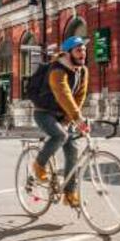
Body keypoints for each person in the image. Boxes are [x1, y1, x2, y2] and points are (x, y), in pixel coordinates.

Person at [32, 36, 91, 207]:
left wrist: (71, 118)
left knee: (72, 150)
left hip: (63, 114)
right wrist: (77, 118)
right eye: (79, 50)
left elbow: (79, 96)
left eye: (84, 50)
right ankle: (39, 164)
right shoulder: (57, 70)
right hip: (44, 113)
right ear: (68, 52)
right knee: (60, 135)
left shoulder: (82, 71)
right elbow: (63, 95)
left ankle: (69, 194)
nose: (83, 54)